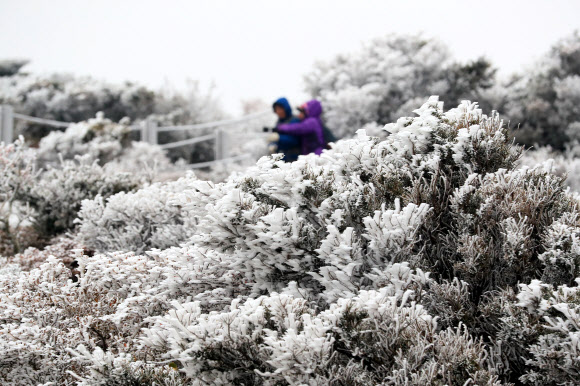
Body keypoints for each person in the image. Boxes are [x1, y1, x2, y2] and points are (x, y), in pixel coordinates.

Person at [270, 97, 301, 162]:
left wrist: (279, 138)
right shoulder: (278, 122)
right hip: (283, 158)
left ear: (286, 108)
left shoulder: (295, 120)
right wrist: (273, 145)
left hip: (295, 158)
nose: (278, 112)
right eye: (276, 110)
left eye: (280, 109)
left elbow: (295, 140)